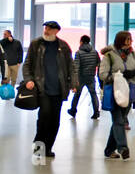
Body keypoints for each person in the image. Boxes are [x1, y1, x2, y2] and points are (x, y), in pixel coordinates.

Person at [22, 20, 75, 158]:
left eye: (50, 28)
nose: (46, 30)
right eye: (45, 27)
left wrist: (74, 83)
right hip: (42, 88)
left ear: (56, 31)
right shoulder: (36, 44)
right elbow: (27, 64)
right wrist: (29, 80)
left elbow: (71, 66)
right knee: (44, 117)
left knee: (55, 121)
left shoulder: (63, 46)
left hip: (59, 89)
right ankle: (39, 148)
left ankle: (48, 148)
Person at [99, 31, 135, 161]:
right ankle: (123, 148)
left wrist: (133, 74)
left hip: (129, 92)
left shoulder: (133, 54)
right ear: (120, 40)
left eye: (130, 40)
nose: (130, 43)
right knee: (118, 120)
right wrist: (119, 76)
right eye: (127, 40)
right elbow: (103, 74)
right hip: (115, 92)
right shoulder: (109, 55)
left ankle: (109, 150)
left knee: (120, 121)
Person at [68, 34, 100, 119]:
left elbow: (76, 66)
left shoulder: (78, 53)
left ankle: (73, 110)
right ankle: (96, 112)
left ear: (81, 42)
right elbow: (98, 62)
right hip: (91, 76)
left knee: (77, 94)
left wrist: (74, 79)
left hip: (81, 77)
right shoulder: (94, 51)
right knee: (93, 94)